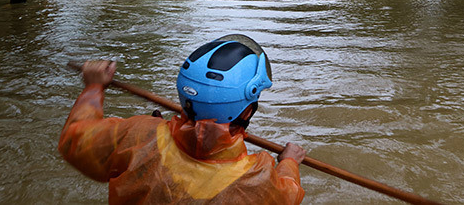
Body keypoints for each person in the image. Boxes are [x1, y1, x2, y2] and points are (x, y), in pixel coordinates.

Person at [59, 35, 306, 204]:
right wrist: (289, 162)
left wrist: (93, 88)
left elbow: (75, 140)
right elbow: (288, 194)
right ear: (247, 112)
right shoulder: (259, 178)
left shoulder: (138, 134)